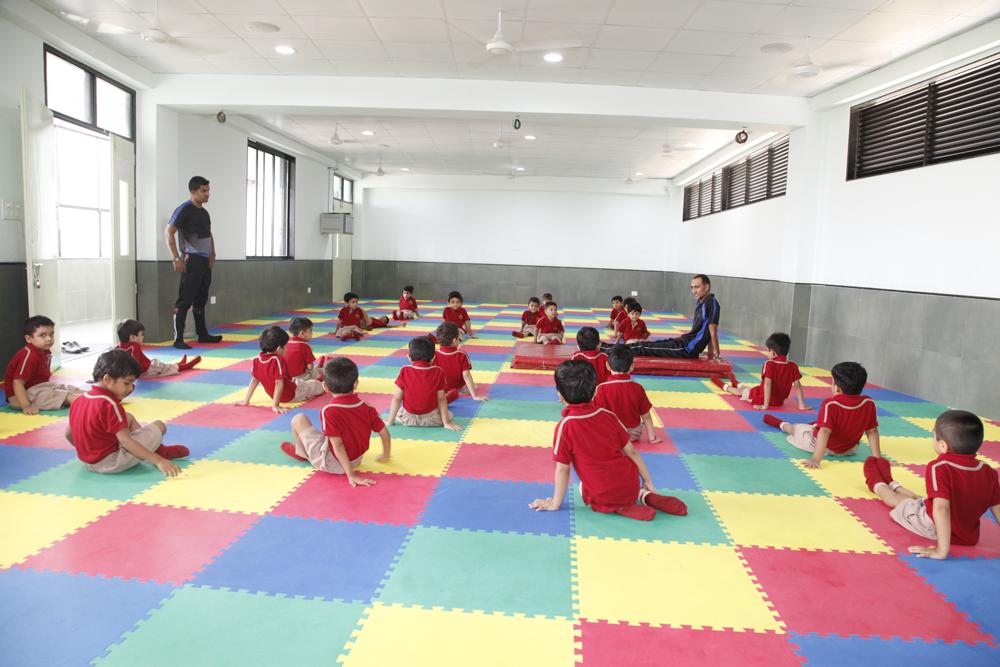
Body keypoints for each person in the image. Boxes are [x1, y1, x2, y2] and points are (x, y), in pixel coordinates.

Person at [529, 359, 687, 521]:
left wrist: (555, 503)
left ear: (560, 395)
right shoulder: (609, 416)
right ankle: (644, 495)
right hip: (630, 482)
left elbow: (563, 470)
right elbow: (632, 452)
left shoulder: (565, 427)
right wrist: (647, 480)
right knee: (623, 483)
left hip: (603, 492)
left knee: (583, 486)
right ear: (595, 392)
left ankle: (621, 508)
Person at [864, 410, 1000, 560]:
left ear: (943, 445)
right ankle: (892, 483)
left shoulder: (939, 467)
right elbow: (998, 508)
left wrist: (941, 551)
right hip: (968, 535)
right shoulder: (988, 470)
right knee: (921, 499)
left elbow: (942, 509)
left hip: (933, 527)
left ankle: (877, 482)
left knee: (901, 500)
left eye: (933, 436)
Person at [65, 349, 188, 476]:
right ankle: (158, 452)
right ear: (107, 379)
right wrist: (159, 461)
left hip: (88, 463)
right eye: (127, 383)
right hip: (112, 463)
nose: (130, 388)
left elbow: (68, 433)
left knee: (127, 417)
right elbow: (125, 441)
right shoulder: (109, 405)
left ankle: (154, 449)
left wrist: (89, 451)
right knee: (159, 425)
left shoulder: (78, 400)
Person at [280, 357, 391, 486]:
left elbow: (338, 446)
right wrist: (385, 456)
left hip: (333, 463)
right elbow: (385, 434)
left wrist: (351, 475)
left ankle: (302, 453)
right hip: (356, 460)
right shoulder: (367, 407)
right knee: (330, 436)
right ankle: (304, 452)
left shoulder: (329, 411)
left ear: (325, 387)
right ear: (355, 384)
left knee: (298, 419)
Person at [762, 361, 881, 469]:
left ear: (837, 388)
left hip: (819, 446)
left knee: (797, 427)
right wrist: (878, 458)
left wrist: (816, 459)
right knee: (819, 425)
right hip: (849, 450)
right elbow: (872, 431)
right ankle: (812, 425)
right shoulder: (869, 403)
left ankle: (782, 424)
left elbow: (824, 433)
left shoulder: (830, 404)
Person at [164, 176, 223, 350]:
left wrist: (212, 253)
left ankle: (203, 334)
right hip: (191, 259)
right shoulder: (184, 209)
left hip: (205, 260)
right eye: (204, 191)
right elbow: (169, 232)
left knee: (201, 298)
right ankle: (178, 339)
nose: (207, 194)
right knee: (185, 299)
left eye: (208, 190)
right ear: (193, 191)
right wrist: (176, 258)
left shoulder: (204, 213)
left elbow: (208, 234)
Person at [604, 275, 720, 359]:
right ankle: (603, 346)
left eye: (697, 287)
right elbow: (707, 329)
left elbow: (712, 330)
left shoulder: (711, 303)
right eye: (692, 287)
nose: (694, 291)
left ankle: (604, 349)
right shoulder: (702, 303)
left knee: (643, 348)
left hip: (687, 348)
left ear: (706, 286)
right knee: (647, 345)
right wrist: (710, 353)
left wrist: (717, 355)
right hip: (683, 341)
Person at [233, 326, 325, 414]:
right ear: (278, 348)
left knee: (301, 381)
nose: (286, 349)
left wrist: (246, 400)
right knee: (319, 386)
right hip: (291, 395)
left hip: (281, 391)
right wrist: (275, 405)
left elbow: (254, 380)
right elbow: (279, 383)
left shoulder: (257, 359)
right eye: (285, 346)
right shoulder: (278, 360)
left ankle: (320, 372)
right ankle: (324, 375)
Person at [5, 316, 84, 415]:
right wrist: (26, 406)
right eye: (42, 335)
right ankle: (93, 401)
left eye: (51, 334)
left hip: (40, 387)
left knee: (69, 389)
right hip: (22, 396)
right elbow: (17, 383)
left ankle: (95, 395)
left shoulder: (44, 351)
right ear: (29, 339)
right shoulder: (29, 356)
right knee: (65, 396)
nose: (49, 339)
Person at [713, 333, 808, 411]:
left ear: (772, 352)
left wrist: (764, 406)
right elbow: (797, 385)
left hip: (761, 397)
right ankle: (736, 382)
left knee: (739, 392)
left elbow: (767, 384)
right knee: (748, 389)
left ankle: (722, 384)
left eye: (767, 351)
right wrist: (802, 405)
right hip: (779, 401)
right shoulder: (793, 365)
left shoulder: (769, 364)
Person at [386, 336, 461, 431]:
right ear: (433, 358)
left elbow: (397, 398)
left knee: (401, 410)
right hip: (432, 420)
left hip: (408, 419)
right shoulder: (438, 371)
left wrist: (390, 421)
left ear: (409, 357)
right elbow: (441, 399)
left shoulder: (404, 370)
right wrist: (446, 423)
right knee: (449, 413)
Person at [594, 345, 661, 444]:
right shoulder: (638, 388)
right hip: (632, 434)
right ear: (632, 366)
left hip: (609, 434)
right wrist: (652, 438)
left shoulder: (600, 389)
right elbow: (646, 415)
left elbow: (596, 415)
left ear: (608, 365)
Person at [115, 319, 201, 378]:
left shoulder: (117, 347)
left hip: (146, 365)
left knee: (161, 365)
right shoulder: (135, 347)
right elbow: (135, 364)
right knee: (165, 368)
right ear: (132, 337)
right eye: (141, 335)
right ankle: (187, 366)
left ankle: (180, 363)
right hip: (147, 371)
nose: (142, 337)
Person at [435, 322, 489, 402]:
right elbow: (466, 375)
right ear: (454, 340)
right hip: (459, 389)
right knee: (474, 386)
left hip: (440, 389)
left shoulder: (433, 354)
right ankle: (452, 394)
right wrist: (475, 396)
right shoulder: (462, 355)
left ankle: (445, 395)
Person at [285, 317, 323, 382]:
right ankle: (319, 374)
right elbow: (310, 368)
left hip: (286, 378)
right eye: (310, 331)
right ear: (302, 333)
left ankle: (318, 366)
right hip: (301, 379)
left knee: (315, 370)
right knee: (324, 371)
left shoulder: (286, 344)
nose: (312, 333)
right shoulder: (305, 347)